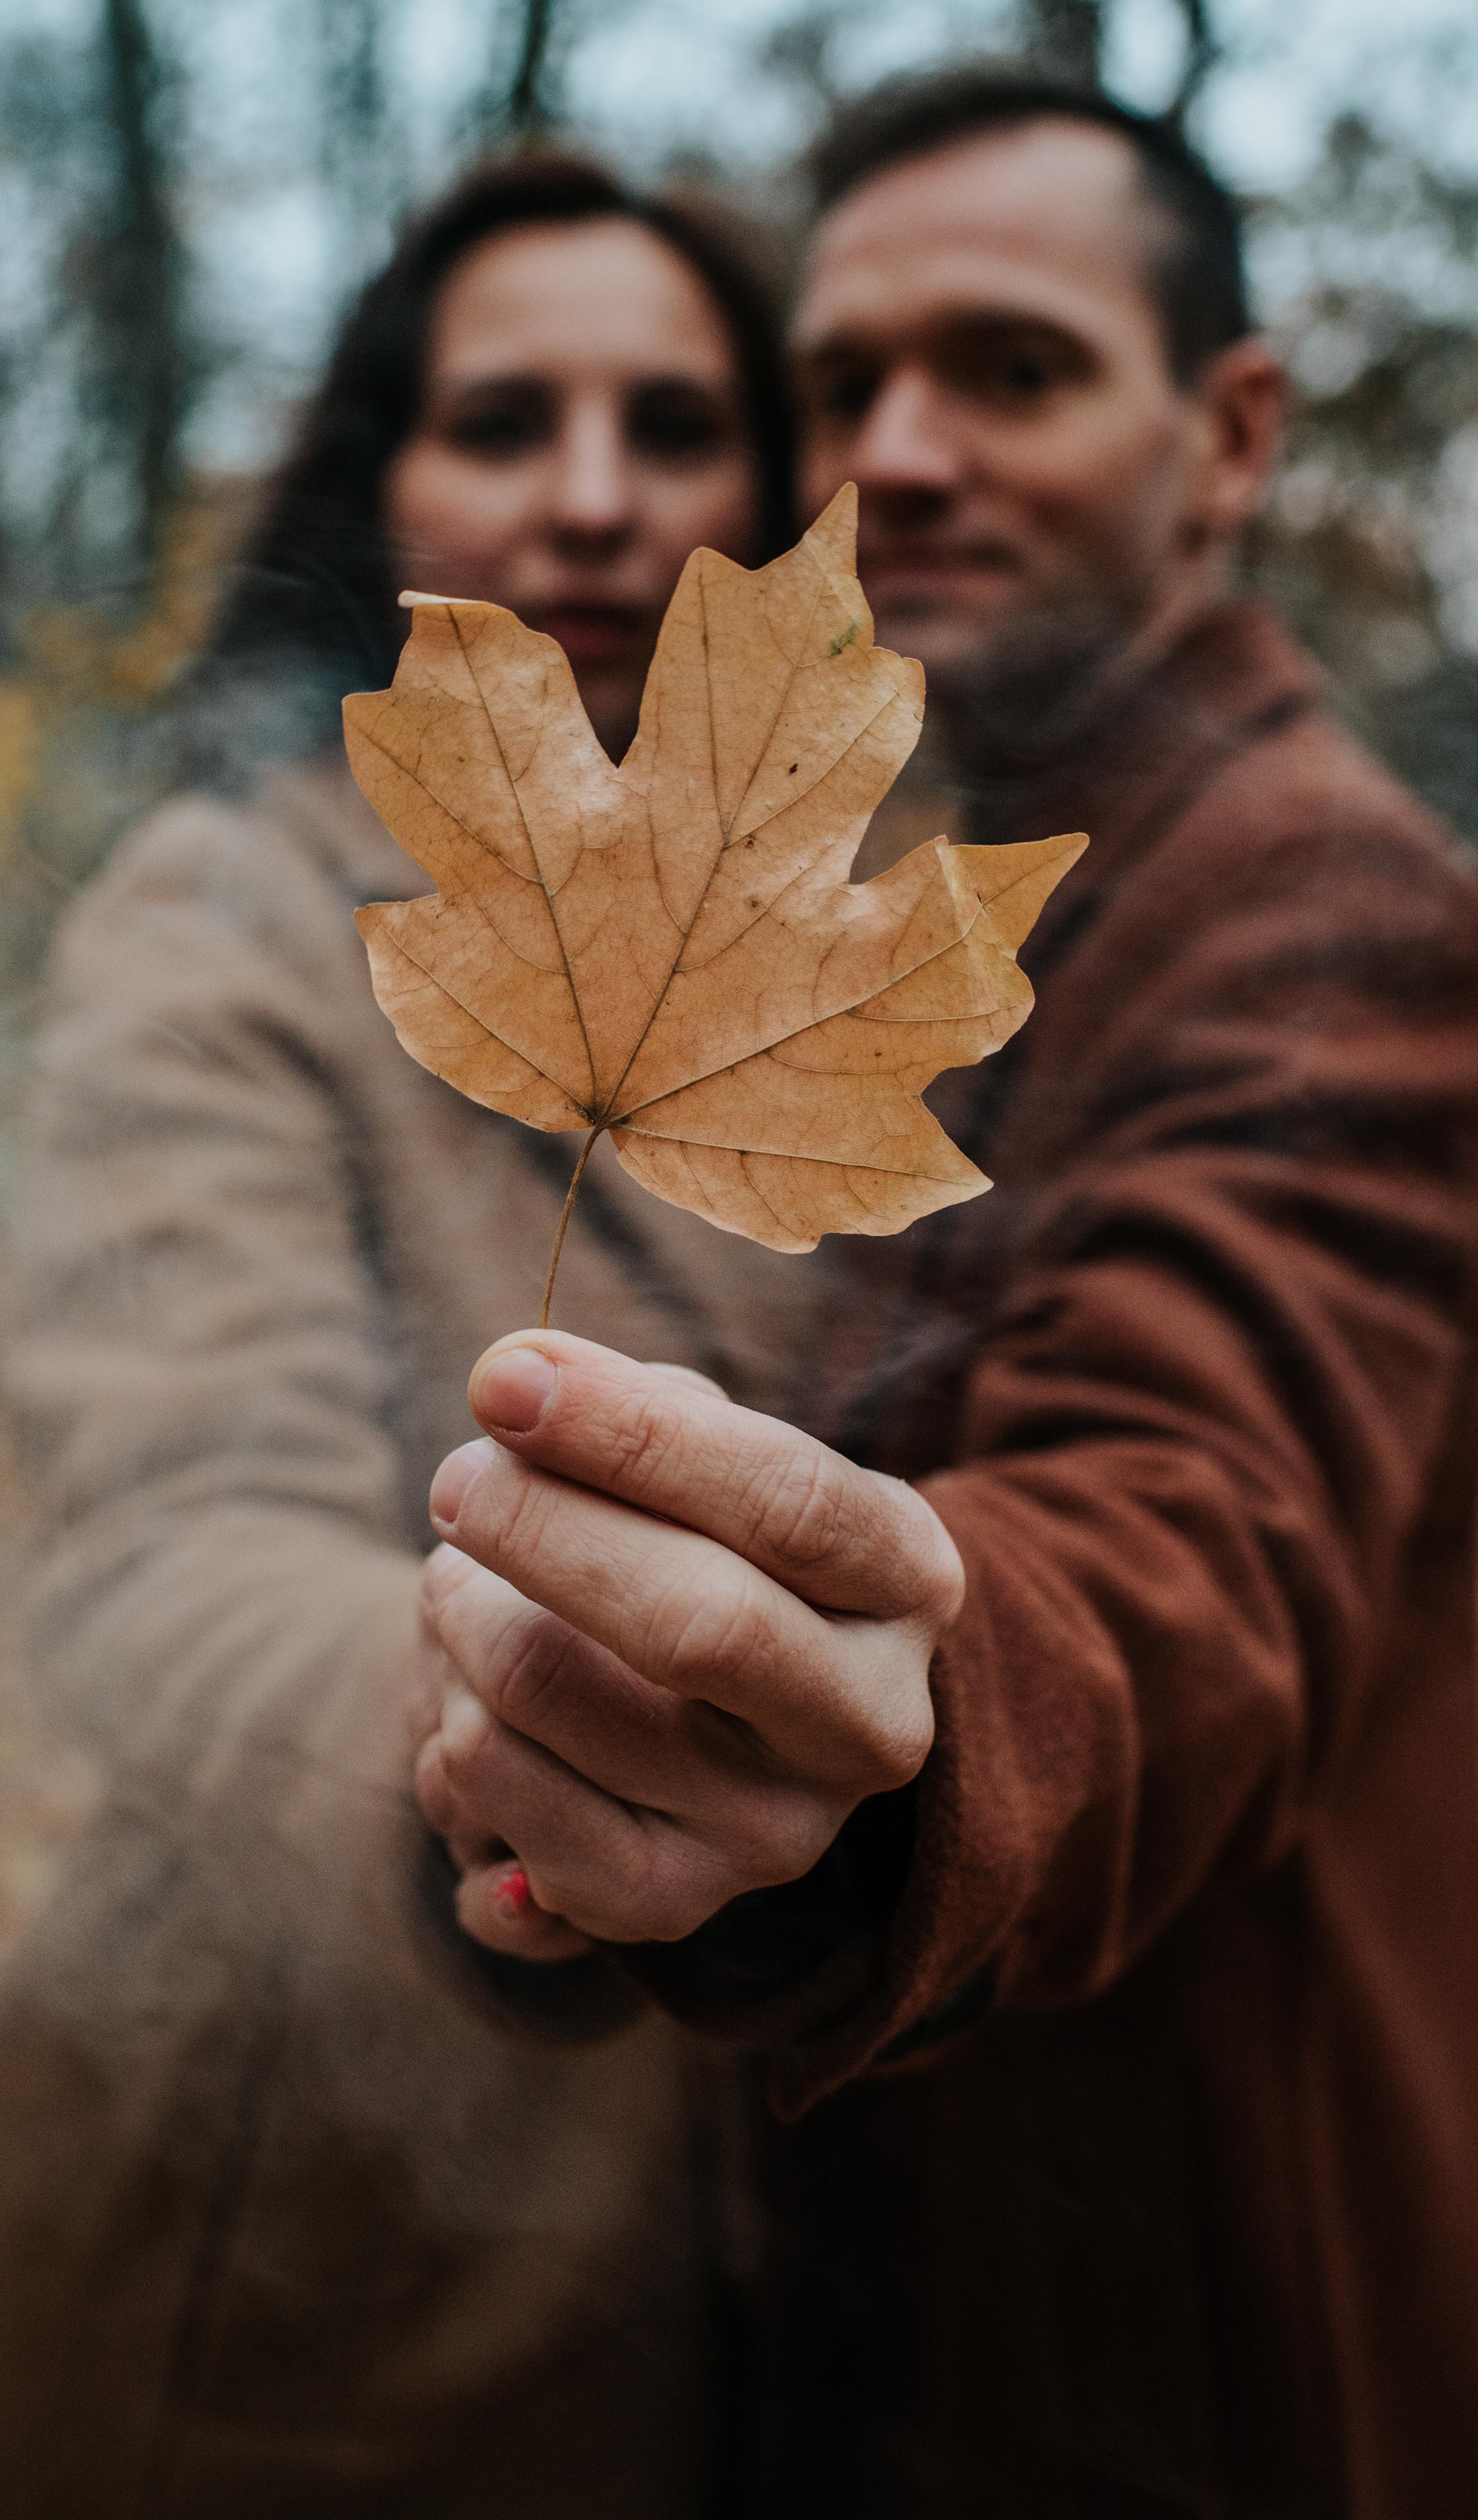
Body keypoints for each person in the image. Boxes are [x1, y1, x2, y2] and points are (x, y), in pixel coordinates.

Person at [402, 72, 1478, 2519]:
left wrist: (896, 1725)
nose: (899, 456)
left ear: (1224, 437)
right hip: (895, 2287)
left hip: (1184, 2343)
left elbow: (1203, 1523)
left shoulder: (1330, 910)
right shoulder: (932, 890)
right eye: (843, 386)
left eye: (1007, 368)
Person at [3, 150, 800, 2516]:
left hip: (777, 2263)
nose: (585, 500)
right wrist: (470, 1729)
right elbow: (164, 1533)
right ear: (388, 476)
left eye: (669, 424)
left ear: (769, 488)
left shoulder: (864, 957)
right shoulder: (230, 914)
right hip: (304, 2264)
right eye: (501, 418)